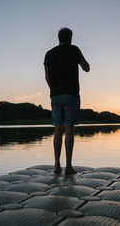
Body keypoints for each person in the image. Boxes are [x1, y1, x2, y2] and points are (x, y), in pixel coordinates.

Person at [44, 27, 90, 174]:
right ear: (70, 38)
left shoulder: (49, 54)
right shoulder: (74, 49)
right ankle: (68, 166)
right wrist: (82, 62)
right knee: (69, 128)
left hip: (55, 95)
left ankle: (57, 165)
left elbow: (47, 77)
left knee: (58, 128)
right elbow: (86, 68)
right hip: (71, 94)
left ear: (58, 38)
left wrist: (54, 90)